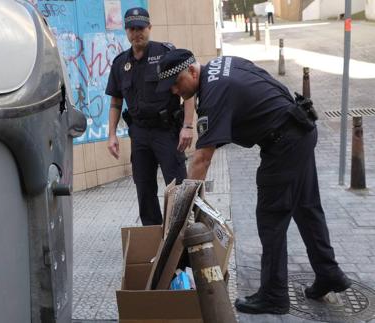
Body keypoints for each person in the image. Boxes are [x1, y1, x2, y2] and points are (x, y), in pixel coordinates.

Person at [156, 49, 350, 314]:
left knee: (271, 219)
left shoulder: (212, 95)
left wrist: (184, 206)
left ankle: (274, 295)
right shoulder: (220, 66)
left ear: (191, 71)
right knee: (307, 207)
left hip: (283, 143)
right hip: (300, 128)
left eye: (176, 83)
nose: (175, 91)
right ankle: (329, 273)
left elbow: (202, 158)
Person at [105, 7, 194, 226]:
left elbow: (188, 91)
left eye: (141, 28)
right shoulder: (119, 64)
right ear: (126, 31)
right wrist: (112, 134)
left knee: (178, 186)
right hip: (140, 134)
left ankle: (181, 235)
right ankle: (154, 239)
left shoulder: (166, 53)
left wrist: (188, 126)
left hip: (167, 132)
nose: (137, 33)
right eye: (132, 28)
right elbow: (116, 102)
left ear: (150, 28)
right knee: (144, 188)